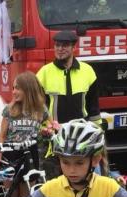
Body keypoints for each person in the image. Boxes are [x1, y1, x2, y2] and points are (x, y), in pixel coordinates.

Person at [36, 30, 101, 180]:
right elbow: (38, 107)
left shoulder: (88, 71)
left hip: (81, 134)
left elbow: (93, 107)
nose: (60, 49)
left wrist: (98, 133)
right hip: (54, 136)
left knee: (82, 179)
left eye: (64, 45)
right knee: (52, 181)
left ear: (74, 48)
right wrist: (44, 128)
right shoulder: (44, 73)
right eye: (57, 45)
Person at [0, 71, 48, 197]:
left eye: (17, 87)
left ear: (29, 89)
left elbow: (49, 129)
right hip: (11, 157)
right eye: (13, 87)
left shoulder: (41, 110)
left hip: (31, 158)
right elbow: (1, 136)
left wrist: (48, 132)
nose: (14, 91)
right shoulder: (9, 110)